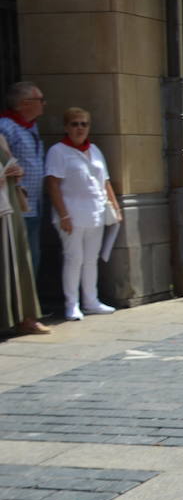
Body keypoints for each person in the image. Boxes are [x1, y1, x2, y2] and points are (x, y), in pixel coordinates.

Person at [44, 107, 121, 320]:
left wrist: (115, 206)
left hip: (94, 213)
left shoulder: (95, 150)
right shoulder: (58, 151)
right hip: (72, 215)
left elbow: (104, 181)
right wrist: (64, 215)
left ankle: (91, 300)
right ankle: (72, 304)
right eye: (74, 124)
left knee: (90, 259)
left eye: (84, 124)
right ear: (66, 127)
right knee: (73, 258)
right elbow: (52, 184)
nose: (79, 128)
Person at [0, 129, 47, 336]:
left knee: (18, 259)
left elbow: (15, 166)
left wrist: (16, 171)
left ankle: (24, 318)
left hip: (8, 205)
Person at [1, 81, 47, 277]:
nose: (44, 104)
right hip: (16, 203)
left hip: (34, 202)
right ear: (25, 103)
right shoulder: (6, 126)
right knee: (22, 256)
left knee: (33, 254)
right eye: (40, 100)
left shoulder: (31, 126)